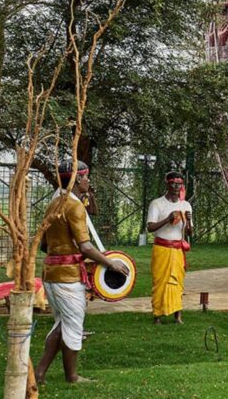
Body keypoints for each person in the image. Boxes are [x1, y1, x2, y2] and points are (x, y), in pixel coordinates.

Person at [35, 160, 130, 384]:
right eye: (86, 177)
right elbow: (85, 246)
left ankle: (39, 374)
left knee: (63, 324)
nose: (89, 181)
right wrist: (110, 263)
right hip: (67, 277)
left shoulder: (54, 203)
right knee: (74, 325)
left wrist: (68, 252)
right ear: (78, 179)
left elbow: (44, 246)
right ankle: (72, 376)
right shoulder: (73, 205)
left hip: (51, 272)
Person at [146, 171, 193, 325]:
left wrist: (189, 222)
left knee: (178, 281)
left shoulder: (185, 205)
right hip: (162, 248)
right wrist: (168, 219)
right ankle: (157, 315)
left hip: (178, 249)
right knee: (160, 281)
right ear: (167, 184)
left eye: (179, 184)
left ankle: (177, 315)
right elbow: (150, 227)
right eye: (173, 183)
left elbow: (189, 232)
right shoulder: (157, 203)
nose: (176, 187)